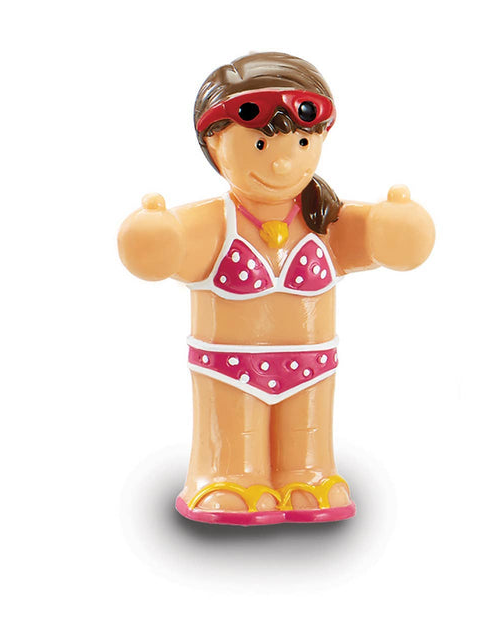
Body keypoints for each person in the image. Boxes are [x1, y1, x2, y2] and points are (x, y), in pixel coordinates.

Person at [118, 52, 435, 525]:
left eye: (302, 142)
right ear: (214, 142)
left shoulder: (323, 219)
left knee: (306, 440)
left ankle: (306, 475)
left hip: (311, 368)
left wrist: (398, 228)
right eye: (261, 145)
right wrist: (157, 238)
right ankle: (226, 475)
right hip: (231, 370)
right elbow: (169, 246)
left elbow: (376, 238)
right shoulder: (215, 222)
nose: (284, 162)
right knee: (234, 436)